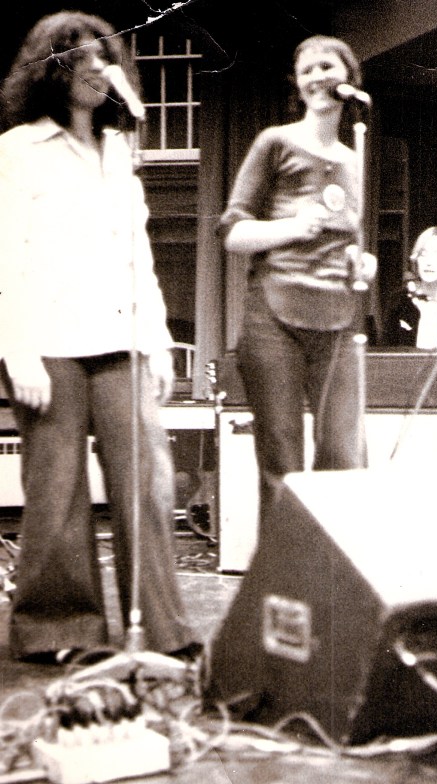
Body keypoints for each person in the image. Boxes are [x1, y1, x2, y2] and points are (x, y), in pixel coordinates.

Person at [0, 11, 201, 664]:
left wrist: (159, 340)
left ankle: (163, 631)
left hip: (122, 338)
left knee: (148, 484)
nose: (94, 68)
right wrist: (17, 350)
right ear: (52, 71)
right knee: (56, 491)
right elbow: (6, 256)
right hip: (49, 344)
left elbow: (137, 253)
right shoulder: (18, 149)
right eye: (79, 58)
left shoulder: (119, 151)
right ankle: (59, 629)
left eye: (102, 58)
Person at [218, 34, 376, 532]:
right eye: (307, 69)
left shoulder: (355, 157)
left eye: (327, 66)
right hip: (274, 317)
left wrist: (363, 262)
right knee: (282, 462)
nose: (316, 77)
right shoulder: (275, 142)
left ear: (349, 79)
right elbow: (233, 233)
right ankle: (286, 575)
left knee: (344, 455)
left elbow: (349, 236)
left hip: (337, 318)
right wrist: (292, 227)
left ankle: (334, 571)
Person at [382, 226, 437, 349]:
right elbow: (385, 354)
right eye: (423, 255)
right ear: (416, 260)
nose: (428, 262)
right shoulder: (398, 301)